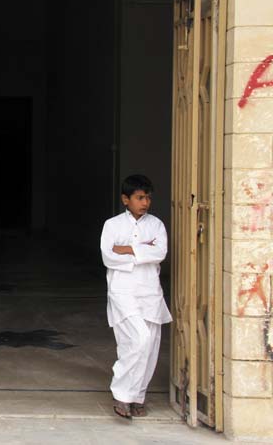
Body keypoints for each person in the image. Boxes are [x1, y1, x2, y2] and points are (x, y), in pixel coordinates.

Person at [100, 174, 172, 419]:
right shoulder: (112, 225)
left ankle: (138, 396)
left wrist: (128, 249)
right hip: (122, 291)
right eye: (140, 197)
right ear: (125, 199)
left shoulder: (157, 225)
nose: (145, 203)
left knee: (150, 346)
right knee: (137, 339)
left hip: (150, 292)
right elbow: (108, 257)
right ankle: (122, 394)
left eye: (148, 198)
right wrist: (144, 250)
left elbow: (160, 252)